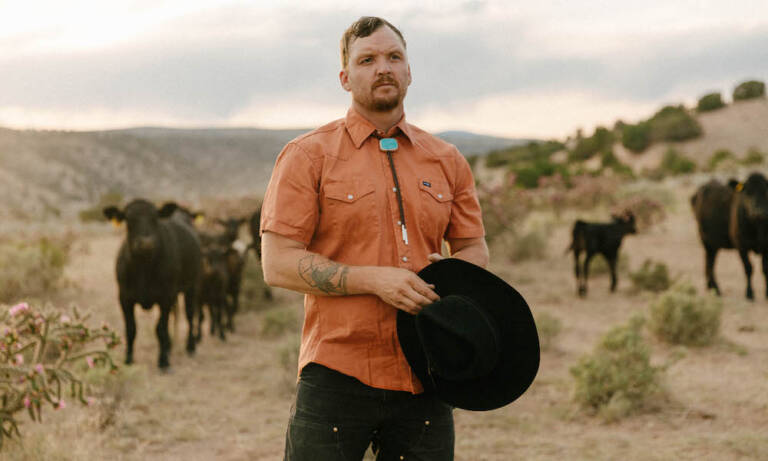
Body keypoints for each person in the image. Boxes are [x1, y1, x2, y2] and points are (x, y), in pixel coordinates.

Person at [260, 16, 488, 461]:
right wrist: (374, 280)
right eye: (367, 60)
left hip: (428, 370)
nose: (383, 68)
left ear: (409, 72)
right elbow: (277, 262)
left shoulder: (447, 160)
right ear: (345, 78)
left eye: (393, 57)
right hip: (337, 371)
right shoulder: (308, 156)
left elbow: (472, 246)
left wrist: (451, 277)